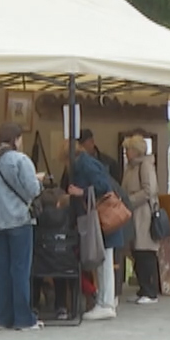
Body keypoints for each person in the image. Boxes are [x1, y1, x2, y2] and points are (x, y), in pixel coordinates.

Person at [0, 123, 42, 332]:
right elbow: (33, 190)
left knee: (2, 270)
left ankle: (1, 318)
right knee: (20, 269)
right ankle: (23, 318)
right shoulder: (20, 160)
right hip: (18, 220)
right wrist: (39, 181)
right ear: (15, 139)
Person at [66, 129, 127, 321]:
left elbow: (102, 187)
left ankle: (106, 303)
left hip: (102, 217)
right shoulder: (88, 162)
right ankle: (105, 300)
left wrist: (81, 192)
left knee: (105, 260)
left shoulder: (84, 165)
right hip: (103, 216)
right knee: (105, 259)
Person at [121, 135, 163, 305]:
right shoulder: (130, 167)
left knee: (145, 251)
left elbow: (149, 190)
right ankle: (142, 289)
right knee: (137, 252)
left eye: (128, 149)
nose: (126, 153)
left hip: (144, 213)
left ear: (136, 150)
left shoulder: (145, 166)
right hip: (133, 213)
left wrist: (129, 200)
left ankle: (150, 291)